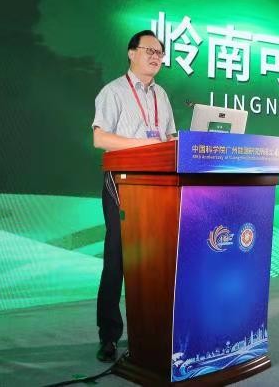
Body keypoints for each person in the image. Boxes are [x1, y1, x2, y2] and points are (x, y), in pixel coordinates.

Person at [91, 30, 176, 362]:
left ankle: (152, 333)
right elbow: (100, 139)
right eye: (149, 50)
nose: (155, 57)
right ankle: (109, 336)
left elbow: (168, 138)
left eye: (160, 53)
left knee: (153, 261)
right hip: (122, 184)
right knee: (117, 259)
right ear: (131, 53)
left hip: (157, 187)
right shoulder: (113, 92)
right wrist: (147, 145)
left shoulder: (161, 95)